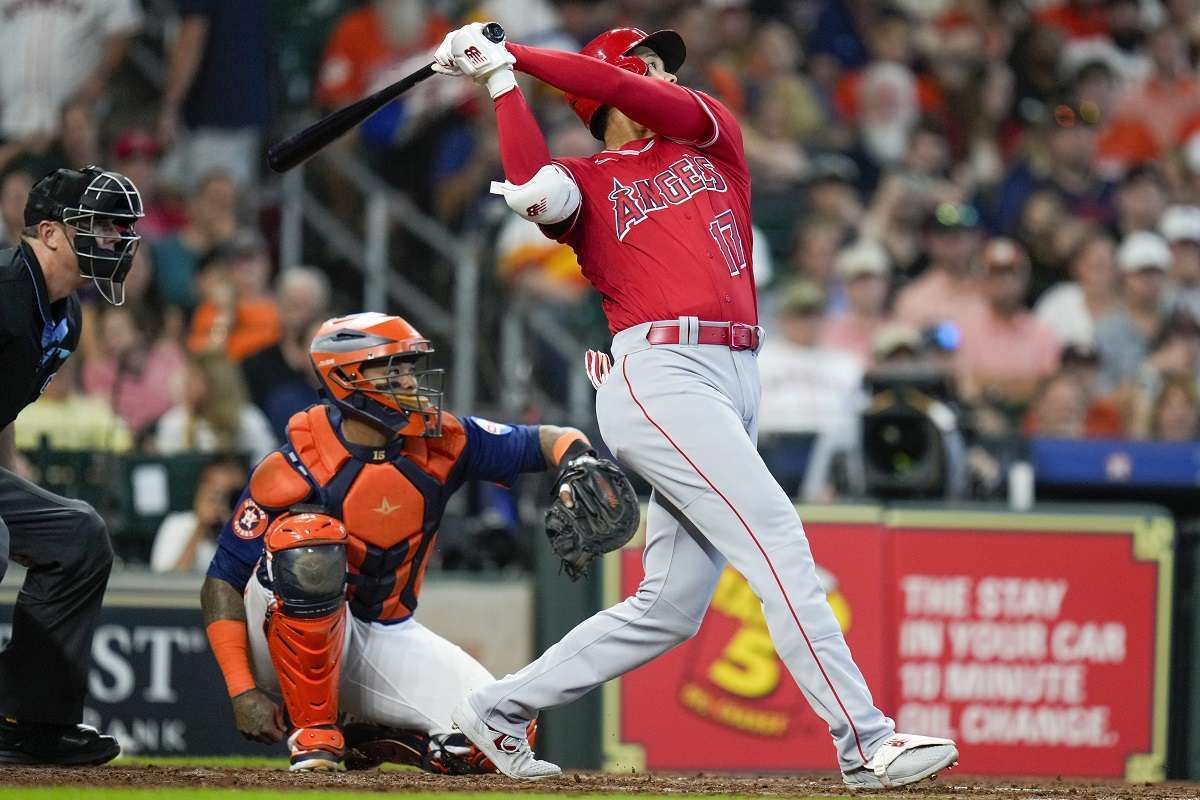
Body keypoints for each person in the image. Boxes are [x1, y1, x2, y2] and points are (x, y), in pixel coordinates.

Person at [431, 22, 958, 786]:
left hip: (736, 374)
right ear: (596, 86)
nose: (662, 73)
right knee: (777, 536)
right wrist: (503, 82)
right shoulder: (589, 177)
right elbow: (534, 193)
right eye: (645, 61)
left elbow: (619, 89)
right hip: (661, 372)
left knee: (669, 608)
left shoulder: (712, 140)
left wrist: (516, 57)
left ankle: (498, 710)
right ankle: (865, 741)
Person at [201, 312, 604, 771]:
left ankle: (372, 737)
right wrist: (242, 690)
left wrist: (579, 461)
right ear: (347, 376)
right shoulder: (297, 462)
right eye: (395, 369)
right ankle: (314, 737)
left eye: (411, 367)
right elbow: (221, 582)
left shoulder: (443, 440)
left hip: (379, 628)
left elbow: (542, 440)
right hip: (274, 636)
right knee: (309, 541)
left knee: (496, 733)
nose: (411, 381)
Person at [0, 165, 143, 764]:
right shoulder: (4, 291)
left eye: (119, 231)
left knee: (77, 533)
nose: (115, 241)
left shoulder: (67, 315)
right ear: (51, 232)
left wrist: (14, 487)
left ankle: (27, 721)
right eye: (100, 227)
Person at [154, 352, 277, 463]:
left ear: (216, 382)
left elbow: (266, 465)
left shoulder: (247, 419)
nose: (186, 385)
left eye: (193, 379)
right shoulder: (175, 421)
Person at [150, 456, 246, 574]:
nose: (222, 502)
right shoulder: (176, 524)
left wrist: (232, 528)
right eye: (216, 493)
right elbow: (169, 582)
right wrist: (201, 527)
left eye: (231, 496)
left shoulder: (248, 531)